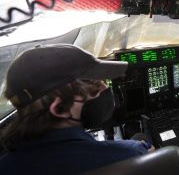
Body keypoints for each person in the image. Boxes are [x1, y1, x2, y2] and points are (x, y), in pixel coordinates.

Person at [0, 44, 153, 175]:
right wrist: (143, 150)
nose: (105, 89)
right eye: (95, 87)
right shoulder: (129, 154)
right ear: (59, 108)